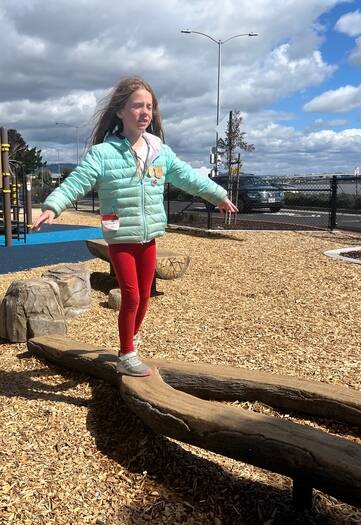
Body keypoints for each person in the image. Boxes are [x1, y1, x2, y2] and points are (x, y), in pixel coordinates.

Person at [32, 76, 238, 377]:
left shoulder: (159, 151)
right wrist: (52, 207)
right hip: (120, 236)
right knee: (130, 295)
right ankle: (126, 354)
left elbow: (189, 178)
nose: (145, 112)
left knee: (143, 296)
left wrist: (217, 195)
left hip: (149, 235)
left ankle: (132, 339)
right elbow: (76, 182)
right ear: (120, 111)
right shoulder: (103, 154)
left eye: (149, 107)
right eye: (137, 106)